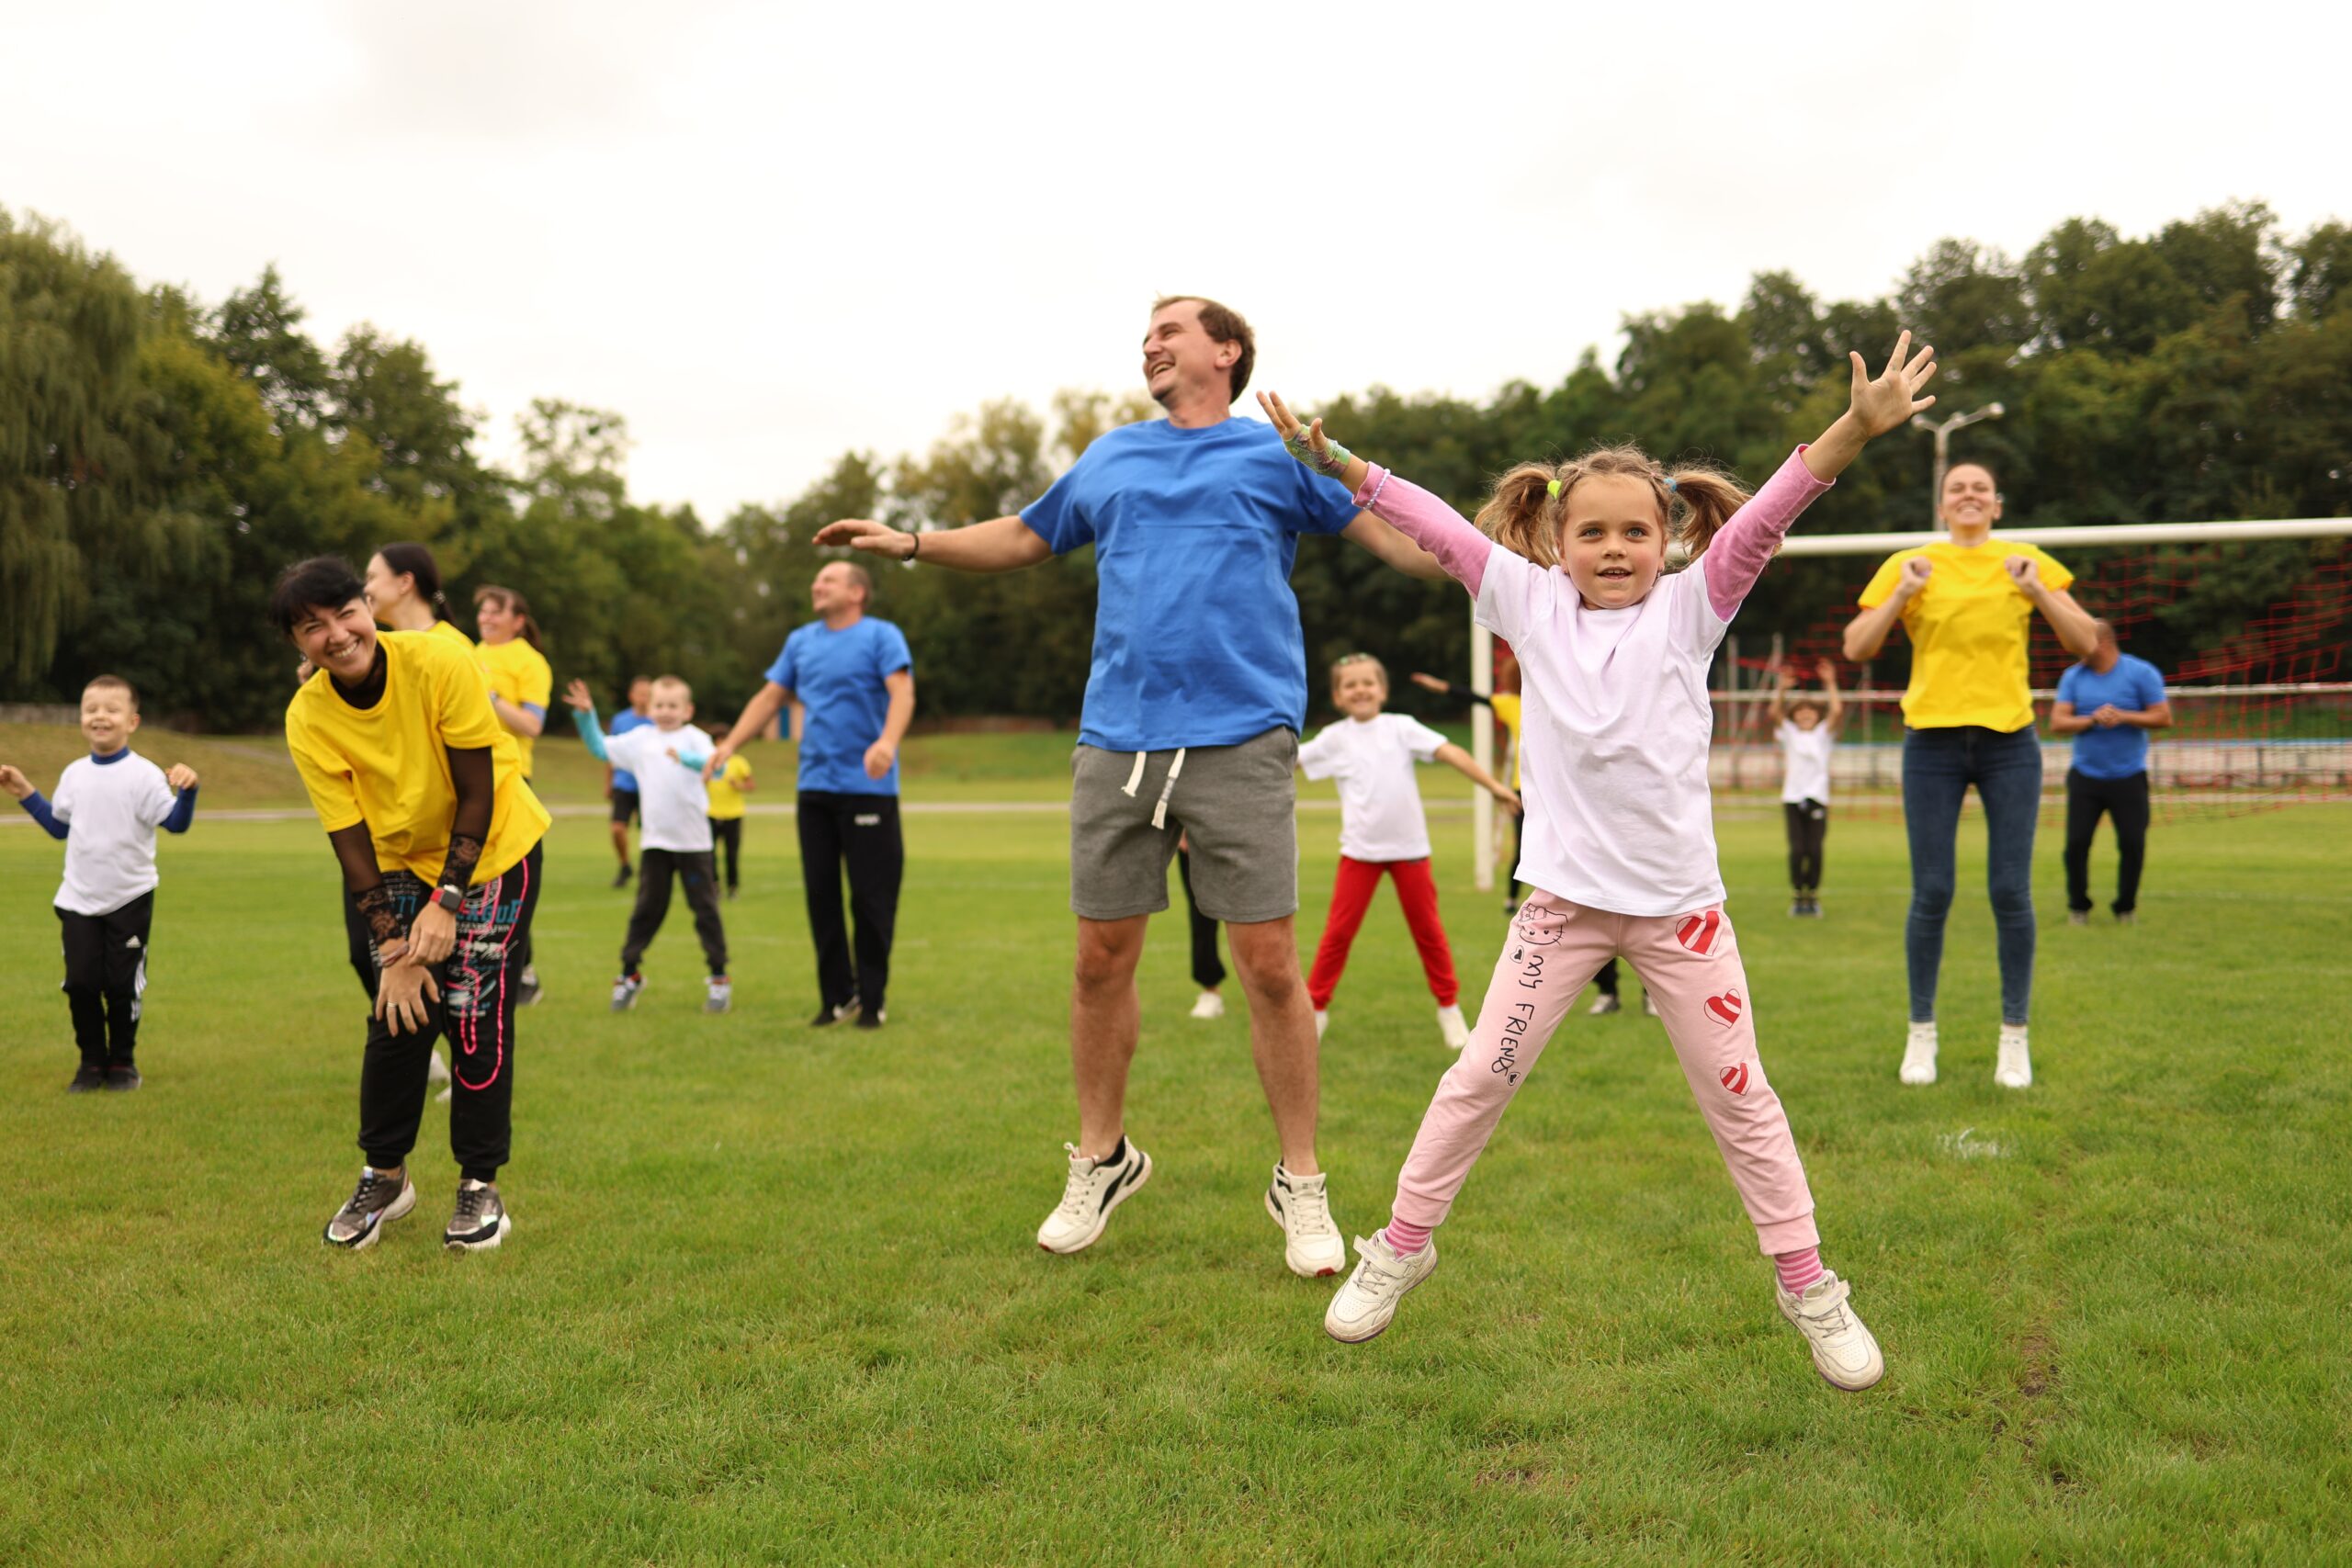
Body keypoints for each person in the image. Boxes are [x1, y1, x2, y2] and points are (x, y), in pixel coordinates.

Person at [1266, 329, 1938, 1388]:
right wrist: (1339, 463)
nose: (1614, 549)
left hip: (1683, 918)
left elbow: (1767, 513)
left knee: (1740, 1098)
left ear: (1669, 537)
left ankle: (1808, 1284)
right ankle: (1399, 1247)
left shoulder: (1692, 608)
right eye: (1592, 533)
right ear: (1556, 539)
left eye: (1636, 530)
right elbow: (1437, 529)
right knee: (1478, 1074)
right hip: (1561, 912)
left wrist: (1853, 427)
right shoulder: (1526, 603)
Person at [810, 295, 1446, 1276]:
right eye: (1145, 335)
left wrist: (1478, 535)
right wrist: (910, 543)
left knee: (1271, 967)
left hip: (1242, 740)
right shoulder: (1112, 456)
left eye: (1171, 330)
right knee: (1099, 961)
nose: (1150, 344)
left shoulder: (1279, 456)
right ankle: (1102, 1159)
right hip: (1117, 742)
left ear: (1227, 350)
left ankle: (1301, 1182)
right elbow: (1023, 535)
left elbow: (1407, 552)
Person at [276, 557, 550, 1253]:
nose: (337, 635)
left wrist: (448, 901)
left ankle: (480, 1183)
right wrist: (393, 946)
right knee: (397, 1009)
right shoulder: (307, 717)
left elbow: (479, 792)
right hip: (398, 856)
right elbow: (348, 838)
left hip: (492, 849)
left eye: (346, 613)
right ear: (297, 643)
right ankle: (386, 1175)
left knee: (473, 1005)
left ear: (368, 607)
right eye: (314, 628)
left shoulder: (441, 660)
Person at [1844, 460, 2098, 1089]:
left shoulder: (2026, 561)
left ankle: (2015, 1039)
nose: (1968, 495)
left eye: (1980, 488)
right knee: (1932, 891)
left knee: (2011, 891)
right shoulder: (1910, 564)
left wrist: (2037, 590)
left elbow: (2087, 640)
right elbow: (1856, 646)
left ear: (1997, 504)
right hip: (1929, 742)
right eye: (1957, 488)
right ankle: (1920, 1035)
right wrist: (1903, 593)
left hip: (2011, 740)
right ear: (1941, 504)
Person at [709, 562, 913, 1031]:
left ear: (858, 592)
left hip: (869, 789)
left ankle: (873, 998)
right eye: (815, 578)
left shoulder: (883, 636)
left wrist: (886, 742)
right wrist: (730, 744)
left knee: (870, 899)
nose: (816, 584)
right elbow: (768, 698)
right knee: (821, 897)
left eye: (829, 580)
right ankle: (837, 997)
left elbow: (902, 693)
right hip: (814, 790)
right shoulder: (801, 641)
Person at [1410, 666, 1657, 1019]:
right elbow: (1471, 697)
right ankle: (1607, 990)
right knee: (1583, 896)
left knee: (1638, 901)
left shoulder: (1584, 699)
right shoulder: (1514, 704)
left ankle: (1649, 992)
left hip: (1604, 803)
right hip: (1538, 796)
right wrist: (1438, 684)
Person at [1301, 653, 1519, 1050]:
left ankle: (1449, 1009)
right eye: (1350, 685)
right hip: (1359, 854)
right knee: (1337, 935)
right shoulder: (1334, 738)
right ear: (1337, 696)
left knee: (1429, 934)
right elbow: (1287, 762)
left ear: (1382, 690)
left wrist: (1494, 786)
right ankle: (1314, 1011)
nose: (1360, 690)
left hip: (1410, 852)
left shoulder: (1400, 728)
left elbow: (1451, 753)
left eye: (1368, 682)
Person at [1, 676, 198, 1092]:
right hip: (78, 900)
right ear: (81, 719)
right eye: (91, 709)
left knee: (122, 987)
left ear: (133, 721)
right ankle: (91, 1063)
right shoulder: (74, 774)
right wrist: (23, 790)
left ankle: (123, 1063)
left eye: (110, 709)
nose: (99, 716)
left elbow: (176, 824)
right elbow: (59, 827)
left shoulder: (143, 774)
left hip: (130, 898)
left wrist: (189, 791)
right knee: (81, 984)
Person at [350, 544, 476, 1100]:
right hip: (384, 833)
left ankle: (434, 1054)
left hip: (448, 838)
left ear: (406, 582)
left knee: (439, 956)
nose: (364, 588)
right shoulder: (370, 652)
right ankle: (421, 1043)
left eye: (370, 577)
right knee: (369, 950)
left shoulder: (450, 649)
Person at [566, 678, 731, 1013]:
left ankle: (718, 980)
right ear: (649, 707)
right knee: (645, 912)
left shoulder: (696, 739)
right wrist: (586, 716)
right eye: (659, 705)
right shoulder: (641, 740)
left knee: (705, 912)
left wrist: (687, 758)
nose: (666, 712)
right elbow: (600, 748)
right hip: (656, 842)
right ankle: (629, 975)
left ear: (688, 710)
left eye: (673, 706)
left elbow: (720, 767)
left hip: (694, 844)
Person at [2050, 620, 2171, 926]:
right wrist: (2091, 719)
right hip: (2085, 776)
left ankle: (2125, 908)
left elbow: (2163, 716)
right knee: (2076, 844)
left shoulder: (2141, 673)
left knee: (2132, 843)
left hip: (2129, 777)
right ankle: (2079, 907)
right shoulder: (2073, 677)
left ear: (2102, 643)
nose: (2076, 649)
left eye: (2081, 643)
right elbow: (2058, 723)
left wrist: (2123, 716)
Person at [474, 583, 552, 1006]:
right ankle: (510, 969)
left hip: (511, 779)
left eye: (494, 612)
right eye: (482, 612)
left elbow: (532, 725)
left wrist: (490, 697)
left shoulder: (530, 662)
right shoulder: (471, 652)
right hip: (467, 776)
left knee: (513, 881)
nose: (485, 618)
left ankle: (522, 970)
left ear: (518, 620)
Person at [1767, 658, 1845, 917]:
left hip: (1818, 799)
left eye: (1810, 711)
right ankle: (1798, 894)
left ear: (1816, 715)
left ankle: (1812, 894)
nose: (1805, 714)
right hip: (1792, 799)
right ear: (1795, 716)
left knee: (1815, 849)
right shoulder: (1790, 734)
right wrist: (1782, 689)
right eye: (1800, 711)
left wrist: (1831, 683)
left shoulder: (1823, 735)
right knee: (1798, 849)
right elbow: (1774, 715)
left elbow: (1836, 712)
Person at [606, 676, 655, 890]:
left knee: (651, 832)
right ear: (631, 695)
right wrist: (608, 782)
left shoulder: (658, 720)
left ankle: (650, 872)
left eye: (648, 693)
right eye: (640, 693)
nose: (644, 698)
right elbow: (610, 751)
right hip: (624, 783)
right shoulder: (620, 721)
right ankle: (625, 864)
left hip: (651, 785)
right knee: (617, 829)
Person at [1176, 836, 1227, 1020]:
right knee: (1202, 911)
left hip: (1243, 826)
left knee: (1256, 914)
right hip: (1196, 832)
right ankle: (1210, 989)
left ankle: (1265, 994)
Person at [706, 747, 755, 899]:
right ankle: (714, 887)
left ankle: (732, 887)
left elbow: (751, 786)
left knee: (731, 854)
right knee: (710, 854)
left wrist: (737, 785)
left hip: (733, 814)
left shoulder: (739, 762)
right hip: (711, 813)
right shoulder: (708, 763)